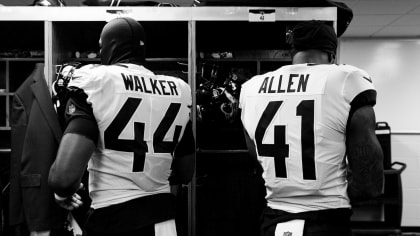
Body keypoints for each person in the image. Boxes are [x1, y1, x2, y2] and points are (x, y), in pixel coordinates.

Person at [48, 17, 195, 236]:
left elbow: (64, 178)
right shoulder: (179, 89)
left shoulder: (96, 81)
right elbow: (185, 172)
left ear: (108, 47)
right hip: (164, 221)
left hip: (113, 217)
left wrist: (62, 192)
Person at [239, 21, 384, 236]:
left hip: (274, 220)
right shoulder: (346, 79)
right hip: (327, 220)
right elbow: (369, 183)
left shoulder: (251, 88)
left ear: (293, 52)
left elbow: (256, 158)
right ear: (332, 55)